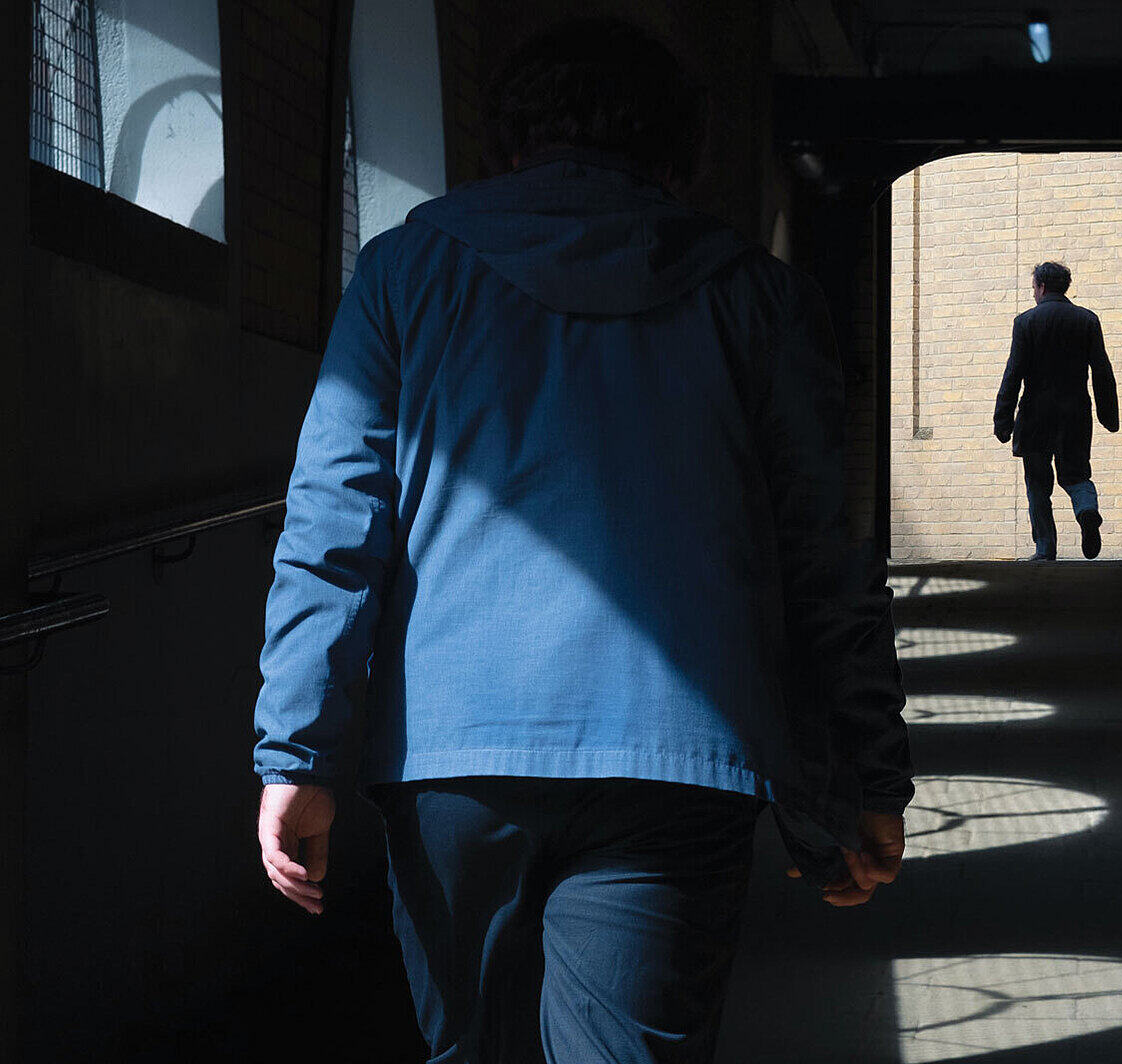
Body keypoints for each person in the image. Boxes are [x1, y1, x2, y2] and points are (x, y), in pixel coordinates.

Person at [252, 17, 913, 1064]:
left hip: (450, 755)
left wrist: (298, 751)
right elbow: (821, 560)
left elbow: (334, 529)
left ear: (507, 138)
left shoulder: (401, 275)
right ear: (678, 149)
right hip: (675, 758)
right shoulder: (758, 296)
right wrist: (870, 772)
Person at [993, 261, 1120, 561]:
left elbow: (1013, 374)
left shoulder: (1025, 323)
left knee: (1038, 485)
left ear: (1041, 287)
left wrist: (1003, 420)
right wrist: (1108, 415)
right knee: (1076, 475)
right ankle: (1087, 511)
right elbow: (1102, 371)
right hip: (1075, 414)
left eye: (1033, 288)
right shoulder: (1087, 320)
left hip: (1036, 416)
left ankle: (1045, 548)